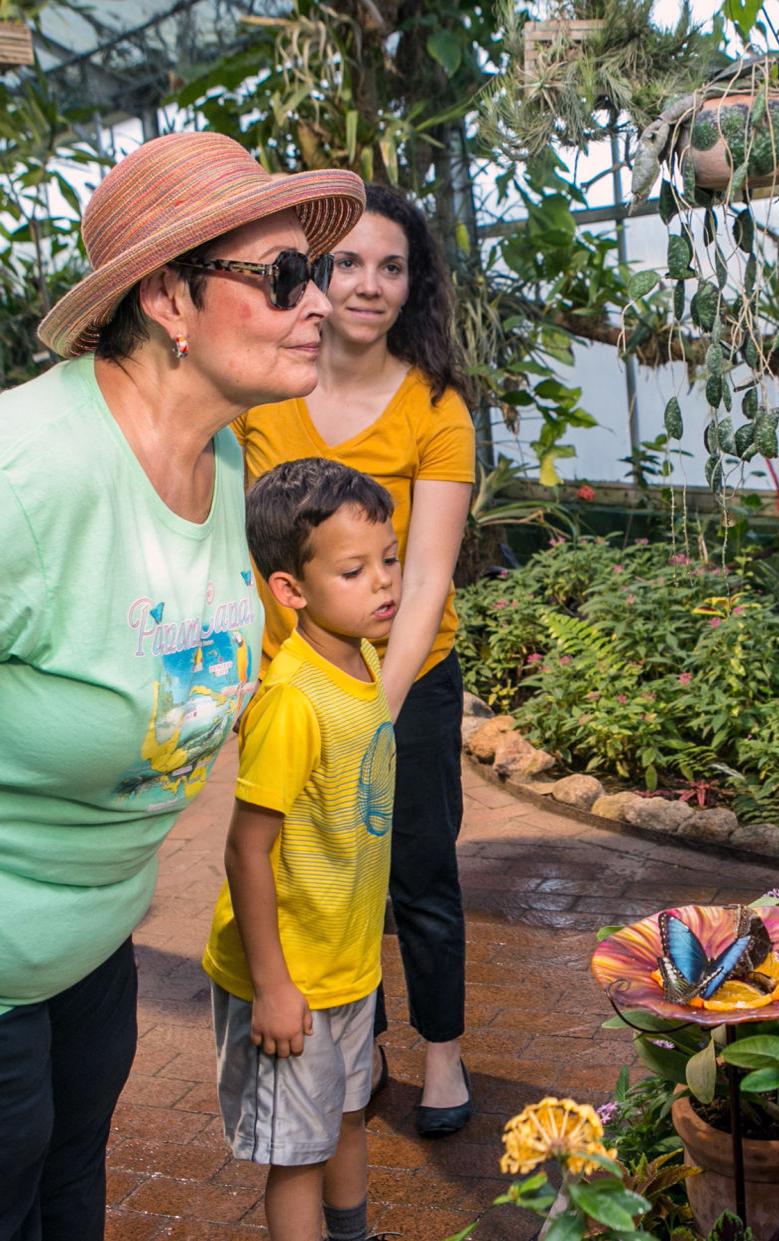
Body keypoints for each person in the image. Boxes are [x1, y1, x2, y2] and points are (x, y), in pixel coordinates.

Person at [0, 131, 362, 1239]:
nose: (321, 300)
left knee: (70, 1187)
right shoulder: (29, 475)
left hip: (91, 948)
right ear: (168, 299)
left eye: (319, 271)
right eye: (285, 275)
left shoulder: (225, 459)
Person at [237, 183, 476, 1136]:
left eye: (392, 267)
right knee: (321, 876)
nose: (368, 284)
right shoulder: (263, 393)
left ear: (413, 286)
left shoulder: (435, 407)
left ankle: (443, 1052)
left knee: (418, 870)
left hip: (405, 682)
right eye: (347, 263)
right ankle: (358, 1039)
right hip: (292, 687)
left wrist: (376, 704)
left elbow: (427, 577)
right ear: (314, 274)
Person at [202, 457, 401, 1241]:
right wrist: (274, 986)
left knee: (347, 1117)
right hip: (289, 977)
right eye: (354, 570)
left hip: (344, 964)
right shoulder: (292, 701)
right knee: (297, 1154)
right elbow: (245, 851)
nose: (382, 581)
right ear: (290, 590)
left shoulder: (362, 655)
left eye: (389, 558)